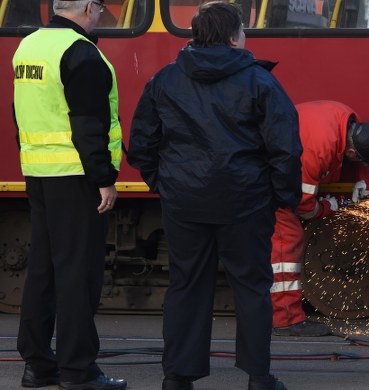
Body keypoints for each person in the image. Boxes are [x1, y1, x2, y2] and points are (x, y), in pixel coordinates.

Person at [127, 2, 301, 390]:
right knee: (252, 286)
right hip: (246, 201)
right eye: (243, 30)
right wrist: (279, 197)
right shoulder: (260, 82)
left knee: (186, 284)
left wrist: (165, 183)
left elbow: (141, 144)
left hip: (184, 201)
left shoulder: (165, 80)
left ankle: (177, 377)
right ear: (232, 36)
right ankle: (259, 377)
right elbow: (285, 148)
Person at [12, 0, 127, 389]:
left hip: (38, 173)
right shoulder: (81, 53)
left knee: (43, 271)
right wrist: (104, 178)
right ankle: (78, 370)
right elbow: (88, 125)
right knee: (78, 274)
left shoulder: (28, 45)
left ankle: (37, 364)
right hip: (76, 177)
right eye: (101, 8)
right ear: (89, 9)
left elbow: (21, 113)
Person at [271, 100, 369, 337]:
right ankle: (286, 319)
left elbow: (357, 146)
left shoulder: (346, 117)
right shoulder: (318, 150)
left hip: (280, 166)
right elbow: (302, 206)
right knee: (287, 241)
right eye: (358, 159)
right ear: (351, 152)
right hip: (268, 182)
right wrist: (326, 208)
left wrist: (365, 178)